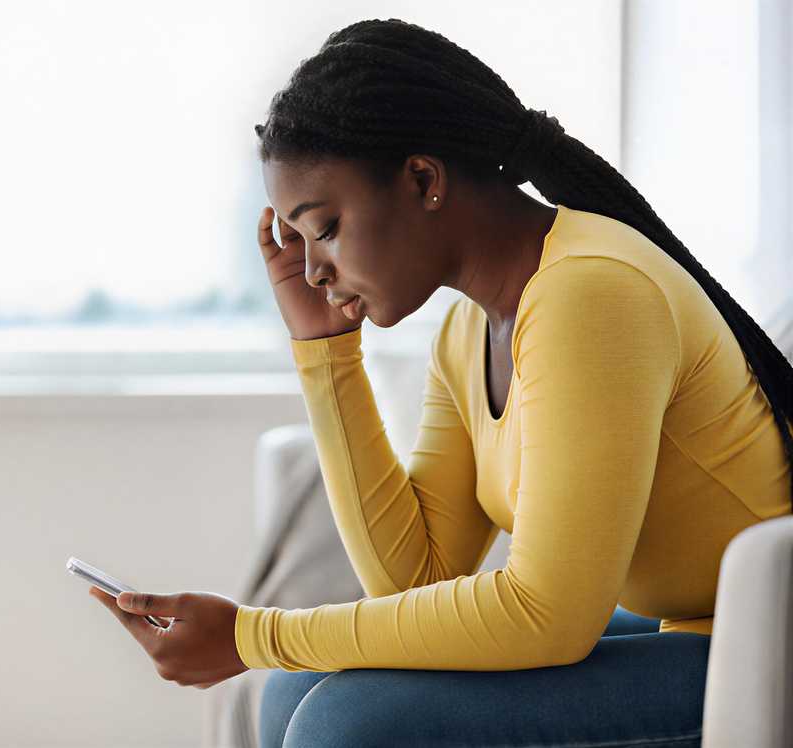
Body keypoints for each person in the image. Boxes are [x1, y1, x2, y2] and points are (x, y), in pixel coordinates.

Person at [90, 17, 793, 747]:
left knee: (345, 725)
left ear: (423, 180)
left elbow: (546, 615)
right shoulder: (469, 330)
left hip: (766, 646)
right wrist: (325, 351)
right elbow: (415, 581)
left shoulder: (591, 293)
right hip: (689, 629)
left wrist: (253, 635)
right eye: (295, 241)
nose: (312, 268)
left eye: (324, 227)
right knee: (296, 692)